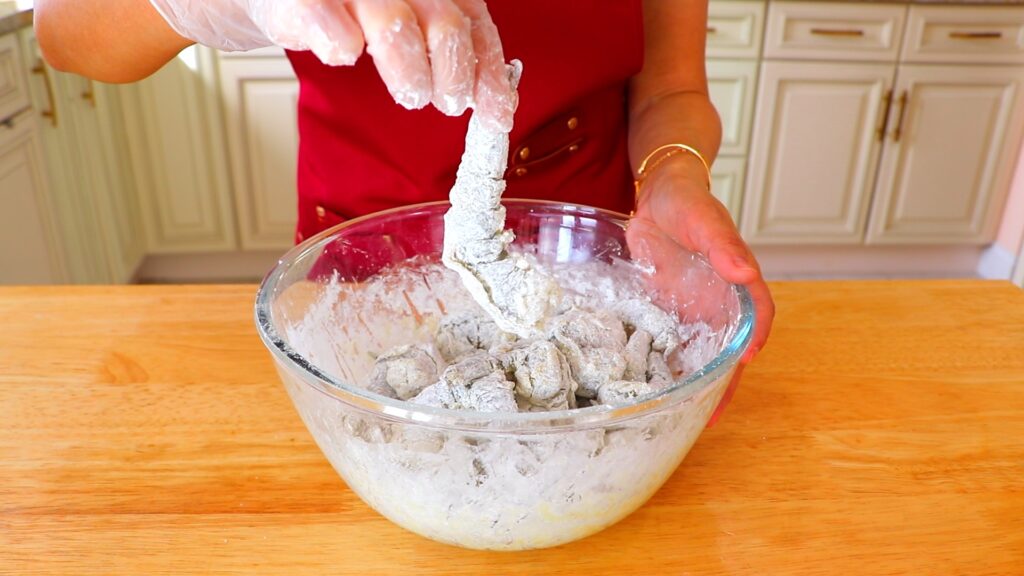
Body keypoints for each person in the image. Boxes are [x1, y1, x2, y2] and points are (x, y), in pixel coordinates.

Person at [35, 0, 774, 421]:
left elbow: (673, 88)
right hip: (357, 263)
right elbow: (66, 34)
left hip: (588, 253)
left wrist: (673, 174)